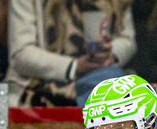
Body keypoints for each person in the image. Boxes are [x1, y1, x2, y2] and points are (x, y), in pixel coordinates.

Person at [7, 0, 136, 107]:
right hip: (42, 86)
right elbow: (20, 54)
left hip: (103, 75)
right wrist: (75, 66)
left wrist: (109, 55)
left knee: (116, 85)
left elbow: (127, 39)